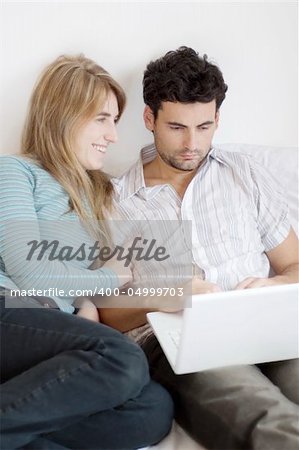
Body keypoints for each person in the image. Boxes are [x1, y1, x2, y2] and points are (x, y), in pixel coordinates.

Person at [97, 47, 299, 449]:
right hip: (184, 343)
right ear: (149, 118)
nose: (192, 143)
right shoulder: (116, 199)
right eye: (177, 128)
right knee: (272, 419)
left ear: (217, 119)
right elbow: (108, 310)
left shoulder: (245, 174)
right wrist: (175, 294)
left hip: (267, 328)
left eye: (205, 127)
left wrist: (275, 285)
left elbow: (294, 262)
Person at [0, 54, 174, 449]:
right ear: (62, 116)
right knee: (122, 358)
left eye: (114, 121)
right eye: (102, 119)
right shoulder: (15, 171)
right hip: (9, 309)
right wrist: (108, 278)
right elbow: (28, 272)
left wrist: (82, 303)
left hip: (49, 331)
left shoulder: (98, 192)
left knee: (153, 407)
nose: (113, 135)